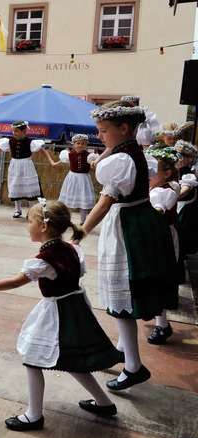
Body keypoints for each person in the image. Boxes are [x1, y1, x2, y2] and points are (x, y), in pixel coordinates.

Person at [0, 200, 122, 431]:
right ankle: (104, 402)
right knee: (72, 361)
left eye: (30, 221)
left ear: (43, 227)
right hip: (75, 308)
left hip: (58, 312)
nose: (27, 226)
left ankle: (34, 415)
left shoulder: (45, 260)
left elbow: (16, 281)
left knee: (32, 358)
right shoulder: (72, 249)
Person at [81, 100, 177, 391]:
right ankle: (124, 349)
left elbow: (105, 201)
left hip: (127, 225)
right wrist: (112, 143)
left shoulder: (121, 160)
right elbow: (101, 163)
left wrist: (80, 232)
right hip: (139, 218)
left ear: (124, 128)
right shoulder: (133, 152)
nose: (100, 136)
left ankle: (134, 366)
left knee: (121, 298)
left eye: (103, 131)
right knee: (127, 290)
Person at [145, 146, 181, 345]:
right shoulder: (162, 187)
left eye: (153, 170)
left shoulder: (162, 192)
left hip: (161, 237)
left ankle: (163, 325)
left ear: (167, 173)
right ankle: (160, 321)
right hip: (157, 235)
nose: (149, 174)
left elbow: (158, 209)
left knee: (157, 278)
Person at [0, 121, 55, 218]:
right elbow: (0, 149)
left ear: (24, 131)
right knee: (15, 185)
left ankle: (31, 211)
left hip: (27, 165)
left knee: (29, 187)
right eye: (13, 131)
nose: (14, 133)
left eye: (17, 131)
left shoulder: (30, 142)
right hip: (15, 164)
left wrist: (50, 160)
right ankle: (17, 210)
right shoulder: (10, 141)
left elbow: (42, 151)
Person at [53, 134, 99, 225]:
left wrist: (94, 164)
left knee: (83, 199)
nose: (80, 145)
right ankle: (67, 220)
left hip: (84, 179)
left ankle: (83, 221)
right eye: (78, 143)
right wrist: (54, 164)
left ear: (86, 145)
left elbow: (93, 165)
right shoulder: (69, 154)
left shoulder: (89, 156)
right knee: (68, 200)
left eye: (82, 144)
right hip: (72, 178)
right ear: (74, 144)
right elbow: (62, 161)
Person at [174, 140, 198, 284]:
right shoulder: (177, 170)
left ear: (188, 159)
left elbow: (185, 190)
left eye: (181, 156)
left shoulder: (188, 173)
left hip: (184, 211)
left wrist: (172, 194)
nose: (178, 158)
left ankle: (178, 277)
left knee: (180, 244)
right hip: (179, 208)